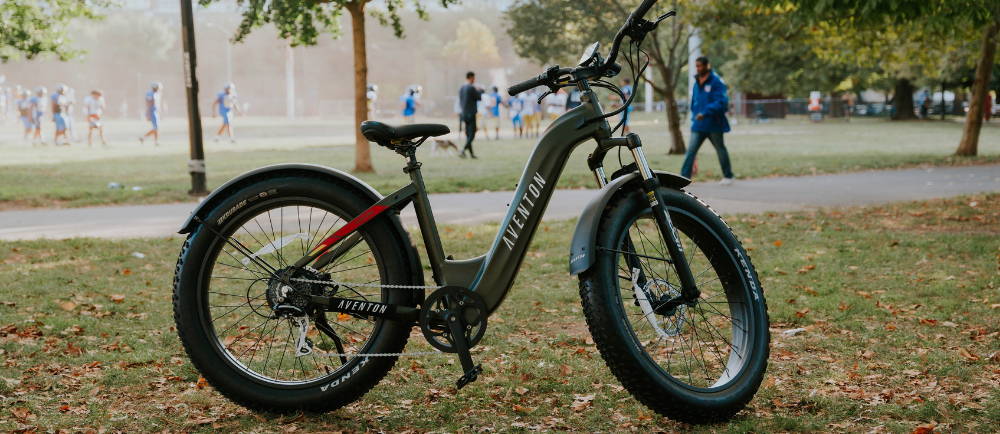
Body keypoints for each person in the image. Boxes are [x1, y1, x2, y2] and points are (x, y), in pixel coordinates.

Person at [680, 56, 735, 185]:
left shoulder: (716, 81)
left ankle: (728, 176)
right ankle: (684, 178)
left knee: (720, 149)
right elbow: (694, 101)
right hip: (698, 124)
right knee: (691, 151)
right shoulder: (696, 81)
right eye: (696, 66)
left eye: (700, 66)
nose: (698, 68)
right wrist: (695, 113)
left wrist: (705, 112)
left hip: (714, 124)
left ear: (707, 66)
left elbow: (721, 102)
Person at [458, 71, 484, 159]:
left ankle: (471, 154)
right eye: (474, 78)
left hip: (463, 113)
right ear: (471, 77)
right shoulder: (471, 88)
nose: (474, 80)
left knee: (468, 134)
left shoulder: (462, 88)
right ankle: (462, 150)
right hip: (471, 113)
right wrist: (479, 90)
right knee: (472, 135)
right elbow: (479, 97)